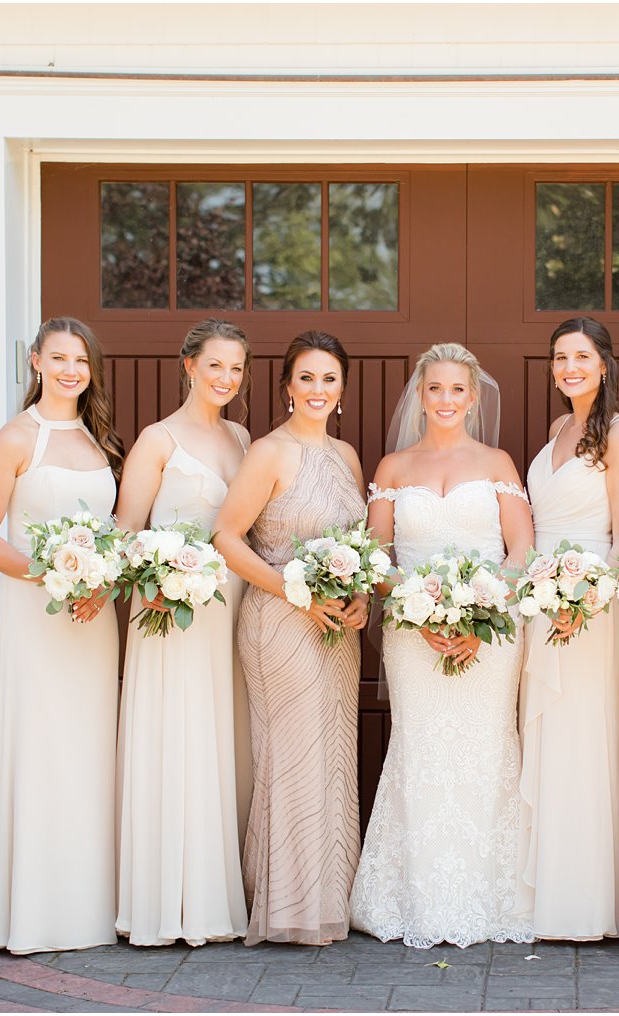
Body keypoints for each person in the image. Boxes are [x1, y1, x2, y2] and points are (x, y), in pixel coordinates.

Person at [349, 342, 536, 949]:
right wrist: (418, 607)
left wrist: (478, 609)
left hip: (490, 634)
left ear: (474, 396)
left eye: (458, 390)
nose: (447, 400)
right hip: (412, 633)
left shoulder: (500, 462)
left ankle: (495, 898)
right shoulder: (392, 469)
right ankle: (414, 898)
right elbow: (377, 558)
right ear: (420, 395)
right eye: (436, 389)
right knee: (421, 750)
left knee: (486, 750)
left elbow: (520, 553)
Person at [0, 317, 124, 954]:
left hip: (92, 621)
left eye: (81, 360)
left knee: (87, 752)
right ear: (36, 362)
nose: (71, 370)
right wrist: (53, 576)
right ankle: (35, 912)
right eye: (59, 357)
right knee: (43, 748)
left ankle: (87, 907)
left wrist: (100, 581)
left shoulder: (97, 437)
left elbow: (109, 531)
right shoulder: (14, 438)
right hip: (38, 617)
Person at [212, 331, 368, 946]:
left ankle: (328, 902)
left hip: (338, 631)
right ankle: (285, 909)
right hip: (280, 622)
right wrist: (291, 590)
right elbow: (226, 536)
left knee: (333, 756)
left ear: (342, 390)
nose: (318, 389)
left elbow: (362, 549)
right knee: (291, 758)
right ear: (286, 387)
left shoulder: (348, 457)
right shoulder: (269, 453)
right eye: (307, 377)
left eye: (329, 378)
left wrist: (360, 598)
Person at [115, 319, 252, 947]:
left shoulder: (245, 437)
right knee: (177, 739)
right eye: (216, 365)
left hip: (231, 608)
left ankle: (215, 896)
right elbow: (125, 532)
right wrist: (159, 582)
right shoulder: (157, 439)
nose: (226, 378)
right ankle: (165, 902)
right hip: (171, 615)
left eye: (237, 368)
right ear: (188, 365)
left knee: (222, 740)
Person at [516, 317, 619, 941]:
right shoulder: (557, 429)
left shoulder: (617, 433)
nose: (569, 367)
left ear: (604, 364)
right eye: (560, 356)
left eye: (582, 356)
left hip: (589, 606)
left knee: (581, 739)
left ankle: (585, 903)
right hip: (543, 600)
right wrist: (545, 591)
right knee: (544, 736)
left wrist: (586, 598)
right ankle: (543, 896)